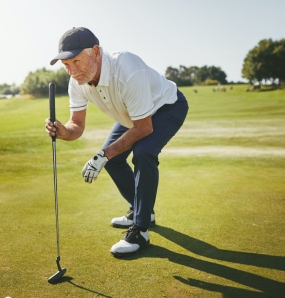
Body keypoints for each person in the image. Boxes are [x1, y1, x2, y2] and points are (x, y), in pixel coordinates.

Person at [45, 27, 189, 257]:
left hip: (166, 107)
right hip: (132, 113)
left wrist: (102, 155)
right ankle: (142, 211)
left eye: (76, 61)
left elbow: (144, 127)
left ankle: (141, 230)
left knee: (143, 153)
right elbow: (77, 126)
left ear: (95, 52)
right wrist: (63, 131)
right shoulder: (77, 82)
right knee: (112, 159)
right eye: (66, 66)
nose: (71, 70)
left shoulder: (127, 68)